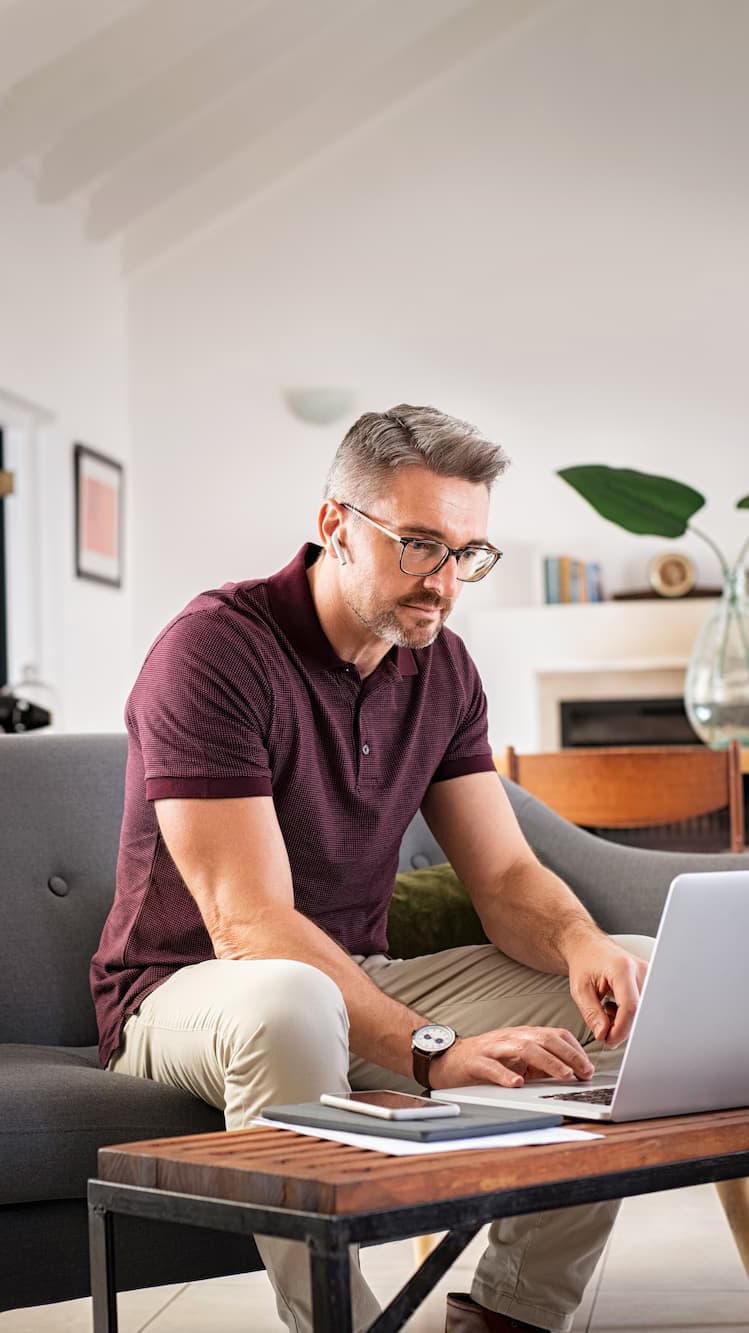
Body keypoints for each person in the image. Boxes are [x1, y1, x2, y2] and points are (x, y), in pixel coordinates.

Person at [91, 404, 651, 1333]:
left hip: (361, 979)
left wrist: (582, 940)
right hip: (186, 990)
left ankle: (512, 1314)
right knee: (288, 997)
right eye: (419, 544)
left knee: (634, 982)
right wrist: (430, 1051)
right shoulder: (214, 653)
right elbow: (249, 925)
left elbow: (506, 880)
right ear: (335, 526)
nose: (443, 582)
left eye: (467, 552)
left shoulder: (442, 669)